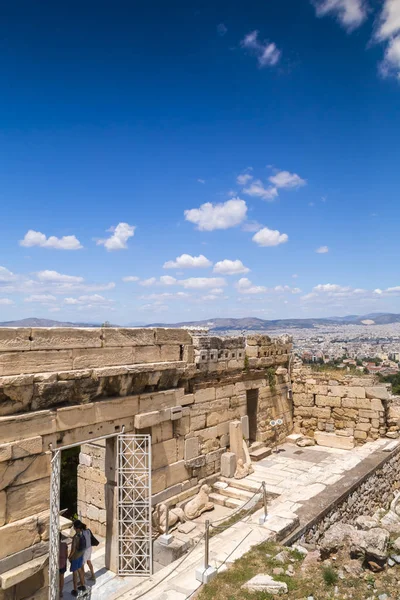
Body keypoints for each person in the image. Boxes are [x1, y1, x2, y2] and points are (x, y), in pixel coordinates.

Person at [69, 522, 86, 597]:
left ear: (76, 528)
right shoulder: (83, 534)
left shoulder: (75, 537)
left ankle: (75, 590)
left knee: (74, 574)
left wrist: (69, 557)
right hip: (81, 555)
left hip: (75, 557)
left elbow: (72, 550)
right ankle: (83, 585)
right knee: (80, 570)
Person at [59, 533, 68, 598]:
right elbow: (66, 554)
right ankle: (60, 592)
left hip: (56, 565)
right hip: (63, 563)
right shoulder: (64, 545)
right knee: (62, 577)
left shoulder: (53, 547)